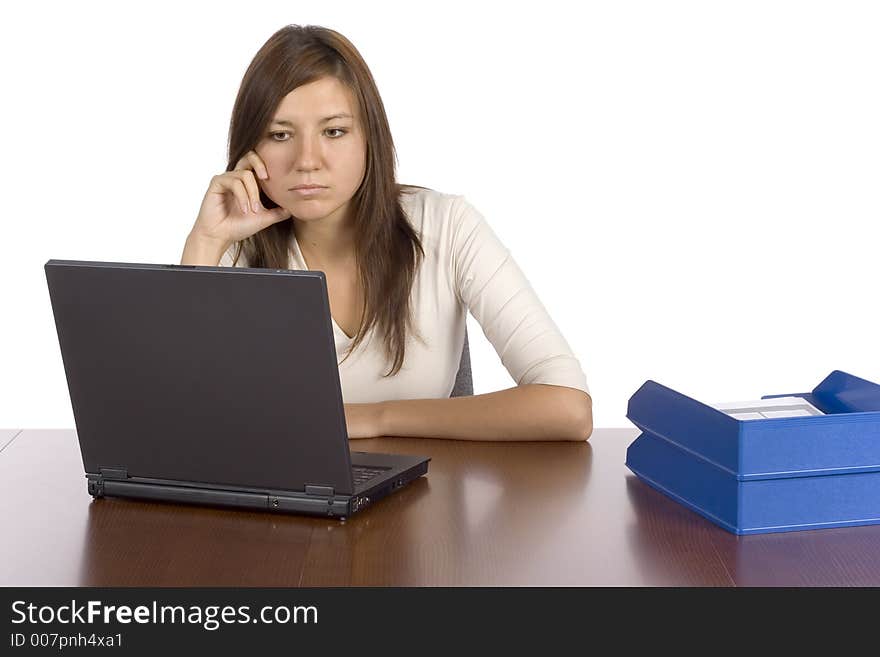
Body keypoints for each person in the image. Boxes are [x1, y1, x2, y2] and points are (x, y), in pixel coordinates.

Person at [181, 25, 592, 441]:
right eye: (280, 135)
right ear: (250, 148)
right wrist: (205, 242)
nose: (307, 160)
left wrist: (376, 418)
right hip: (288, 502)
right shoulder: (235, 251)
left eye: (334, 131)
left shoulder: (447, 226)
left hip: (430, 499)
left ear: (369, 139)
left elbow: (567, 406)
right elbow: (183, 425)